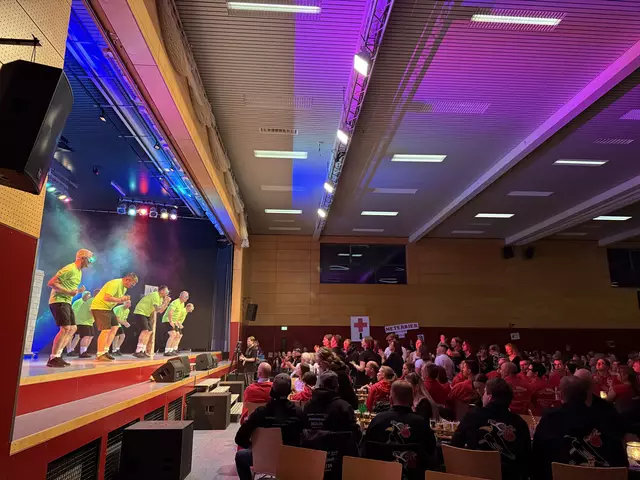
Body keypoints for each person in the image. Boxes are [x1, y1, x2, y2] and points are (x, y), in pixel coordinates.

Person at [532, 376, 627, 480]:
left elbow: (536, 460)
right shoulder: (605, 418)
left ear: (561, 395)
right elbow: (621, 463)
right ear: (585, 396)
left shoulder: (550, 420)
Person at [452, 378, 531, 480]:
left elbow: (455, 444)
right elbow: (526, 459)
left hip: (475, 475)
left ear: (490, 397)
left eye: (485, 392)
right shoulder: (520, 423)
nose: (482, 396)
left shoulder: (472, 416)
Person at [234, 374, 305, 480]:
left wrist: (255, 447)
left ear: (272, 391)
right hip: (291, 460)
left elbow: (239, 438)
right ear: (289, 391)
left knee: (240, 456)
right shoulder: (298, 412)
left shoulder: (260, 413)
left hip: (263, 458)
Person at [363, 381, 437, 479]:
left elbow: (365, 452)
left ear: (390, 400)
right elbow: (432, 453)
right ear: (412, 400)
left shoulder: (377, 421)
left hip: (379, 475)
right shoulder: (421, 424)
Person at [46, 249, 94, 367]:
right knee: (65, 328)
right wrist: (68, 292)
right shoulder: (70, 269)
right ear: (82, 258)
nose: (91, 261)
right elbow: (51, 283)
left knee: (73, 328)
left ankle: (58, 355)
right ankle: (53, 358)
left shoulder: (79, 272)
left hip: (66, 302)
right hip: (58, 300)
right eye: (90, 258)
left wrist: (78, 291)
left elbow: (70, 289)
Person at [91, 273, 138, 362]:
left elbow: (117, 298)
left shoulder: (124, 288)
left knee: (115, 327)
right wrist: (120, 300)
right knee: (106, 330)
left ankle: (105, 351)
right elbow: (107, 298)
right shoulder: (115, 283)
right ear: (127, 280)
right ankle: (100, 354)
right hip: (99, 307)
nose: (132, 286)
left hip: (108, 308)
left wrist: (124, 298)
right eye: (132, 284)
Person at [132, 285, 171, 358]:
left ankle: (143, 350)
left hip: (146, 314)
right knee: (145, 330)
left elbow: (160, 311)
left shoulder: (160, 298)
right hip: (140, 312)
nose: (168, 293)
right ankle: (137, 351)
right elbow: (157, 309)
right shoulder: (155, 295)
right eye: (167, 291)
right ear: (161, 291)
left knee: (149, 332)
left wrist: (166, 303)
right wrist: (165, 302)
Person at [161, 291, 188, 356]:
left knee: (178, 335)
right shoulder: (176, 302)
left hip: (174, 321)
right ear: (181, 296)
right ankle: (167, 351)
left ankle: (172, 350)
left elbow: (178, 314)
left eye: (187, 297)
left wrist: (177, 323)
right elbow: (170, 312)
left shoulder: (182, 304)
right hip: (167, 319)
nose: (187, 298)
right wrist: (170, 321)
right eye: (186, 297)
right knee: (173, 334)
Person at [66, 290, 92, 357]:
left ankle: (71, 349)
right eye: (87, 295)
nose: (88, 297)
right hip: (74, 321)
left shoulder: (86, 303)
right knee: (71, 336)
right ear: (84, 295)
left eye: (89, 296)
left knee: (77, 336)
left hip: (80, 321)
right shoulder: (78, 302)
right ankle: (68, 350)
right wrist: (72, 321)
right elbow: (73, 311)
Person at [75, 288, 99, 358]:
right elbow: (92, 311)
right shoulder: (93, 301)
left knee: (91, 336)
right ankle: (82, 352)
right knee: (86, 336)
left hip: (88, 322)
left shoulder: (94, 301)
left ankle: (84, 351)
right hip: (83, 321)